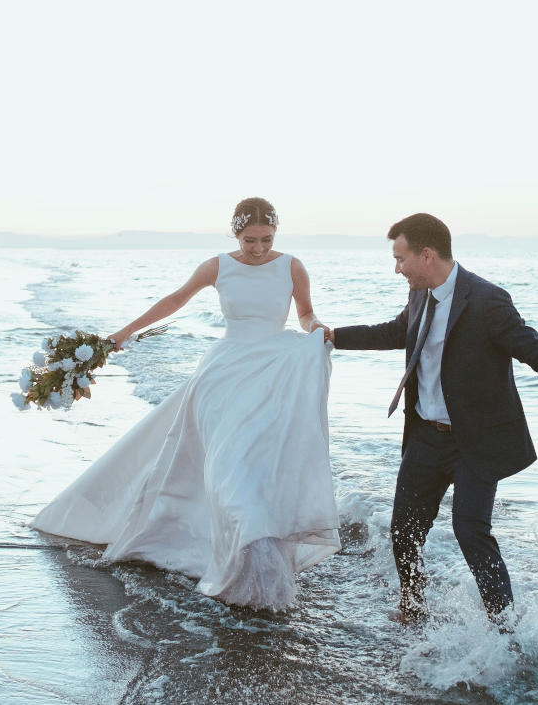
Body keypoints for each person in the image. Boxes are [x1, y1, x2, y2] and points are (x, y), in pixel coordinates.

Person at [31, 198, 340, 611]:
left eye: (267, 239)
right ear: (236, 233)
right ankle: (225, 551)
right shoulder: (217, 266)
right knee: (224, 467)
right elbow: (176, 300)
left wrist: (316, 327)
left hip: (271, 374)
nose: (259, 248)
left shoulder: (292, 266)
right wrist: (122, 334)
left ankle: (255, 555)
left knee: (254, 467)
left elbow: (304, 314)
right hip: (223, 375)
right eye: (250, 240)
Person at [322, 213, 538, 622]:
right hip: (426, 436)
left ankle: (504, 626)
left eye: (400, 259)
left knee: (470, 530)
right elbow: (394, 333)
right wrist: (335, 336)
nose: (397, 269)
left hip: (475, 442)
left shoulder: (486, 300)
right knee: (405, 532)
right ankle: (412, 607)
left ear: (426, 255)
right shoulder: (419, 295)